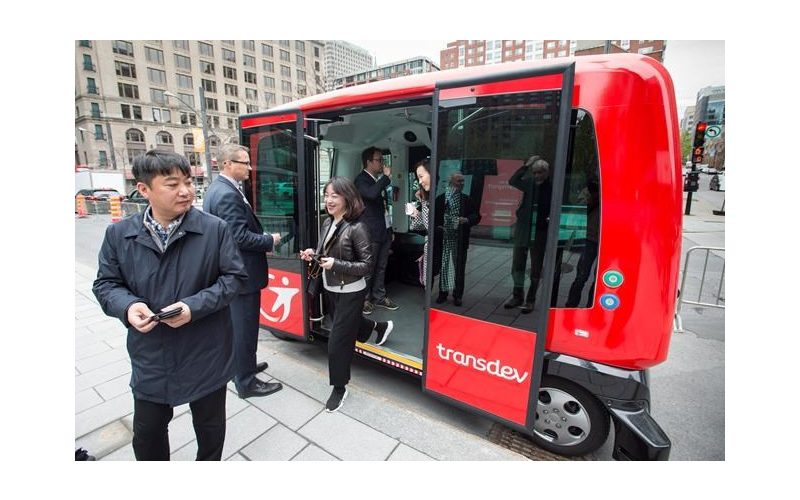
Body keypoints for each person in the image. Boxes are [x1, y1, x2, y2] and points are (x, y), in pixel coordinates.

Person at [93, 150, 248, 460]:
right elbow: (106, 284)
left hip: (207, 351)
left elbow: (234, 279)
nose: (185, 191)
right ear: (143, 189)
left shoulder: (214, 229)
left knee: (210, 429)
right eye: (172, 183)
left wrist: (193, 307)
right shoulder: (120, 234)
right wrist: (128, 306)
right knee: (148, 435)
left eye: (188, 182)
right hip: (151, 354)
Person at [300, 177, 393, 412]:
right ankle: (378, 328)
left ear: (347, 198)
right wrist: (313, 253)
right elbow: (325, 251)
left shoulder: (358, 227)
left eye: (334, 196)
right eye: (326, 195)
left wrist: (337, 264)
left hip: (351, 291)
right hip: (330, 288)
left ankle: (339, 387)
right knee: (351, 323)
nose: (329, 200)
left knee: (337, 343)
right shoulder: (327, 223)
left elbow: (366, 266)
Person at [203, 144, 283, 399]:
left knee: (241, 327)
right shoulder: (226, 194)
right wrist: (269, 240)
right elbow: (238, 237)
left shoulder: (220, 188)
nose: (249, 167)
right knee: (244, 328)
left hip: (235, 272)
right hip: (242, 274)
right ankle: (246, 382)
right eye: (244, 162)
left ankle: (243, 367)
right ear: (227, 164)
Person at [505, 156, 552, 314]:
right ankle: (517, 296)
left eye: (540, 172)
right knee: (517, 265)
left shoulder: (552, 187)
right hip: (524, 230)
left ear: (546, 172)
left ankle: (530, 300)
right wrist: (526, 165)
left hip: (539, 232)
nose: (537, 175)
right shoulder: (530, 184)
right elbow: (513, 181)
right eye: (535, 172)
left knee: (535, 269)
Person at [354, 146, 398, 314]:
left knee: (381, 266)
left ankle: (379, 296)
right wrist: (386, 178)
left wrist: (390, 229)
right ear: (368, 162)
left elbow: (384, 208)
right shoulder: (361, 180)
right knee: (368, 268)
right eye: (379, 160)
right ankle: (364, 299)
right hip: (370, 233)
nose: (382, 163)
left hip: (383, 231)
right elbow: (371, 195)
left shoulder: (376, 181)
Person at [433, 171, 481, 306]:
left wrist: (466, 219)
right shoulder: (441, 199)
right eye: (459, 181)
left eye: (463, 181)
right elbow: (434, 219)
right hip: (445, 239)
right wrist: (439, 227)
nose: (462, 184)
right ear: (451, 182)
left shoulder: (466, 200)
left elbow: (476, 216)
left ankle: (457, 295)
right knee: (444, 267)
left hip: (460, 240)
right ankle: (443, 293)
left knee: (459, 269)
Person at [566, 179, 600, 307]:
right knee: (581, 276)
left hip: (607, 240)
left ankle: (591, 307)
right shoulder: (594, 192)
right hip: (591, 238)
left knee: (598, 279)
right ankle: (571, 305)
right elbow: (580, 205)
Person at [408, 159, 431, 287]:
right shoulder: (426, 198)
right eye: (418, 178)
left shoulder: (440, 197)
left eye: (421, 176)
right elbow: (421, 225)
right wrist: (415, 214)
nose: (420, 181)